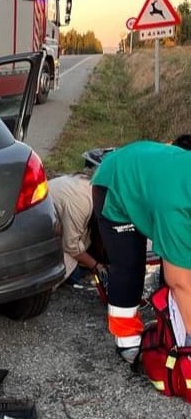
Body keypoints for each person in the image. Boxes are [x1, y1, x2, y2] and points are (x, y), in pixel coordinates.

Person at [90, 135, 191, 365]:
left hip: (151, 172)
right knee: (129, 265)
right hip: (115, 182)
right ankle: (127, 341)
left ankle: (171, 319)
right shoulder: (176, 209)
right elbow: (179, 280)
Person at [47, 172, 108, 286]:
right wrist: (96, 266)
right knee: (75, 275)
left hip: (60, 219)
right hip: (44, 229)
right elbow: (71, 246)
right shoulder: (81, 204)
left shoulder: (92, 190)